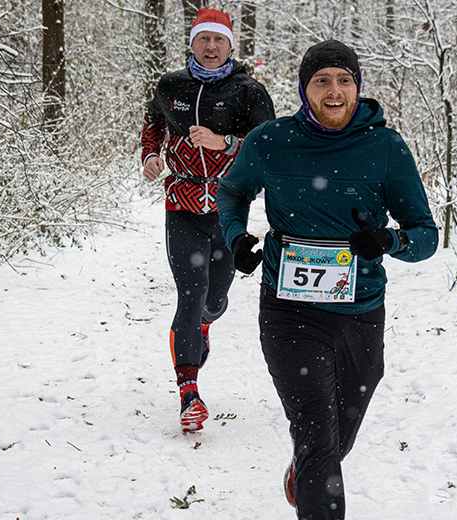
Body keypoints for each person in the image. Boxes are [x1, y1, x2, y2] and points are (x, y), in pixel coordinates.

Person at [217, 40, 438, 519]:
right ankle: (314, 468)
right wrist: (236, 236)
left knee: (337, 435)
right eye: (322, 80)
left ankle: (311, 466)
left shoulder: (386, 147)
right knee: (318, 435)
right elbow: (232, 192)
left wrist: (388, 241)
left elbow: (426, 236)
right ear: (304, 89)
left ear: (357, 87)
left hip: (360, 312)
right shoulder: (270, 141)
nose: (333, 90)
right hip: (288, 311)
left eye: (344, 80)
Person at [140, 8, 275, 432]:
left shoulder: (249, 91)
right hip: (180, 201)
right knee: (190, 293)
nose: (211, 47)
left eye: (219, 40)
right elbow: (152, 122)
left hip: (227, 207)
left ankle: (205, 325)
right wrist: (151, 155)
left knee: (214, 301)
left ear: (230, 45)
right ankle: (189, 394)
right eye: (203, 39)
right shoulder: (171, 85)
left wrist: (226, 142)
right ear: (193, 43)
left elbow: (268, 145)